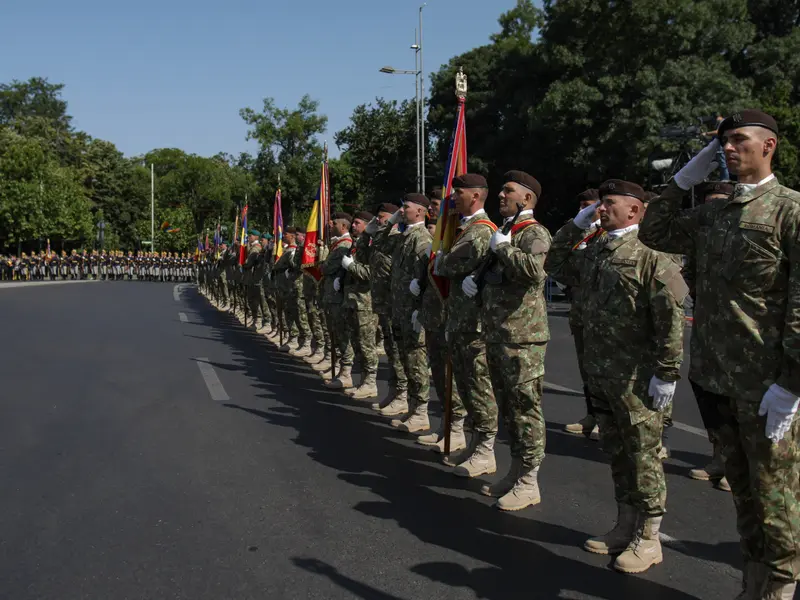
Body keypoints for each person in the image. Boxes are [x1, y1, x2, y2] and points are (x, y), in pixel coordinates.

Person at [639, 109, 800, 598]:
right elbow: (652, 231)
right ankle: (753, 586)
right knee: (743, 496)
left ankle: (779, 588)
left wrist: (792, 381)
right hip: (714, 377)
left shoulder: (789, 210)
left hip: (767, 383)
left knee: (777, 501)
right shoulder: (713, 212)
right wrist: (687, 175)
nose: (728, 149)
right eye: (722, 143)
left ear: (768, 146)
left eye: (737, 140)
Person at [546, 179, 687, 574]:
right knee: (618, 454)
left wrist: (666, 373)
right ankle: (625, 524)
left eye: (609, 204)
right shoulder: (593, 251)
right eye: (600, 204)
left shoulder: (652, 257)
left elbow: (669, 320)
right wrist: (576, 225)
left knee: (643, 457)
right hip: (601, 374)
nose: (601, 210)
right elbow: (554, 263)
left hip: (637, 380)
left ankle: (650, 536)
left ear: (636, 211)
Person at [462, 170, 551, 511]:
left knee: (526, 409)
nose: (500, 195)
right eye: (501, 190)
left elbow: (534, 271)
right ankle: (516, 470)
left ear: (526, 198)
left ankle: (530, 480)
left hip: (523, 338)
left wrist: (506, 250)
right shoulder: (505, 231)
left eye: (508, 191)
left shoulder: (534, 233)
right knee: (510, 410)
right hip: (498, 333)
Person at [435, 174, 499, 476]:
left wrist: (442, 261)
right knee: (465, 384)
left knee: (478, 386)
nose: (452, 199)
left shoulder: (480, 232)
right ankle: (475, 444)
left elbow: (450, 266)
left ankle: (486, 448)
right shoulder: (464, 229)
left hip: (474, 325)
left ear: (475, 196)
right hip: (461, 320)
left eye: (458, 193)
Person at [681, 180, 735, 493]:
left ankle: (737, 464)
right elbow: (689, 275)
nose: (712, 209)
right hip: (706, 325)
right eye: (707, 203)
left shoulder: (741, 237)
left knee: (735, 399)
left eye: (719, 202)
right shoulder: (700, 240)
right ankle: (719, 455)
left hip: (739, 335)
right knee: (707, 392)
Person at [380, 194, 431, 423]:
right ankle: (411, 407)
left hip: (412, 312)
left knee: (416, 362)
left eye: (406, 207)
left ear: (420, 212)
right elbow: (379, 245)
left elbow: (426, 279)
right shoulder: (403, 236)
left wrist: (419, 309)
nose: (402, 210)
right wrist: (390, 222)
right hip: (399, 309)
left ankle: (420, 411)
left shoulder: (422, 238)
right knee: (405, 360)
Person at [562, 189, 602, 441]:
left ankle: (605, 419)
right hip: (581, 311)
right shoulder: (577, 231)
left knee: (603, 369)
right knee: (586, 368)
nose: (583, 210)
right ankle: (592, 414)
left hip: (604, 315)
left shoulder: (609, 232)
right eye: (580, 206)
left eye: (588, 206)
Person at [364, 204, 408, 411]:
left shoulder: (399, 237)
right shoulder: (385, 239)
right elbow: (364, 256)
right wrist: (366, 234)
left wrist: (392, 223)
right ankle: (394, 392)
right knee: (391, 350)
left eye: (382, 218)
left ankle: (402, 395)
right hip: (383, 302)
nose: (379, 221)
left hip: (395, 303)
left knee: (399, 352)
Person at [341, 211, 379, 398]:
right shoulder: (357, 244)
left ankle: (371, 382)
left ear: (366, 225)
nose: (352, 226)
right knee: (356, 343)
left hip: (365, 302)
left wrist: (351, 267)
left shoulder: (372, 245)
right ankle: (363, 380)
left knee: (366, 344)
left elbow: (372, 273)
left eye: (357, 223)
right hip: (352, 300)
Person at [321, 213, 355, 389]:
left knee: (342, 334)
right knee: (334, 332)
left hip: (338, 297)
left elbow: (327, 267)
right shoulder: (337, 244)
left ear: (343, 226)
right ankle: (338, 368)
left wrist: (323, 264)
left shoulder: (344, 245)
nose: (330, 224)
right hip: (331, 296)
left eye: (334, 223)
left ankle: (346, 372)